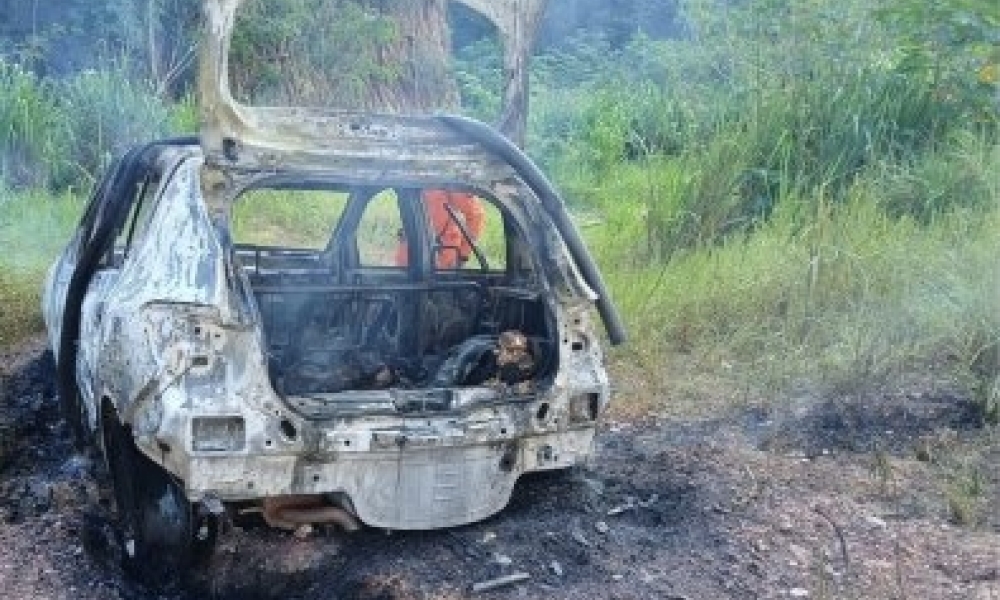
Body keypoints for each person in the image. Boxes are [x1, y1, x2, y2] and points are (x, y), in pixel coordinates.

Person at [395, 189, 485, 269]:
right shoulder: (406, 176)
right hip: (411, 251)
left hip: (442, 254)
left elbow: (475, 217)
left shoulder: (447, 178)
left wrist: (463, 255)